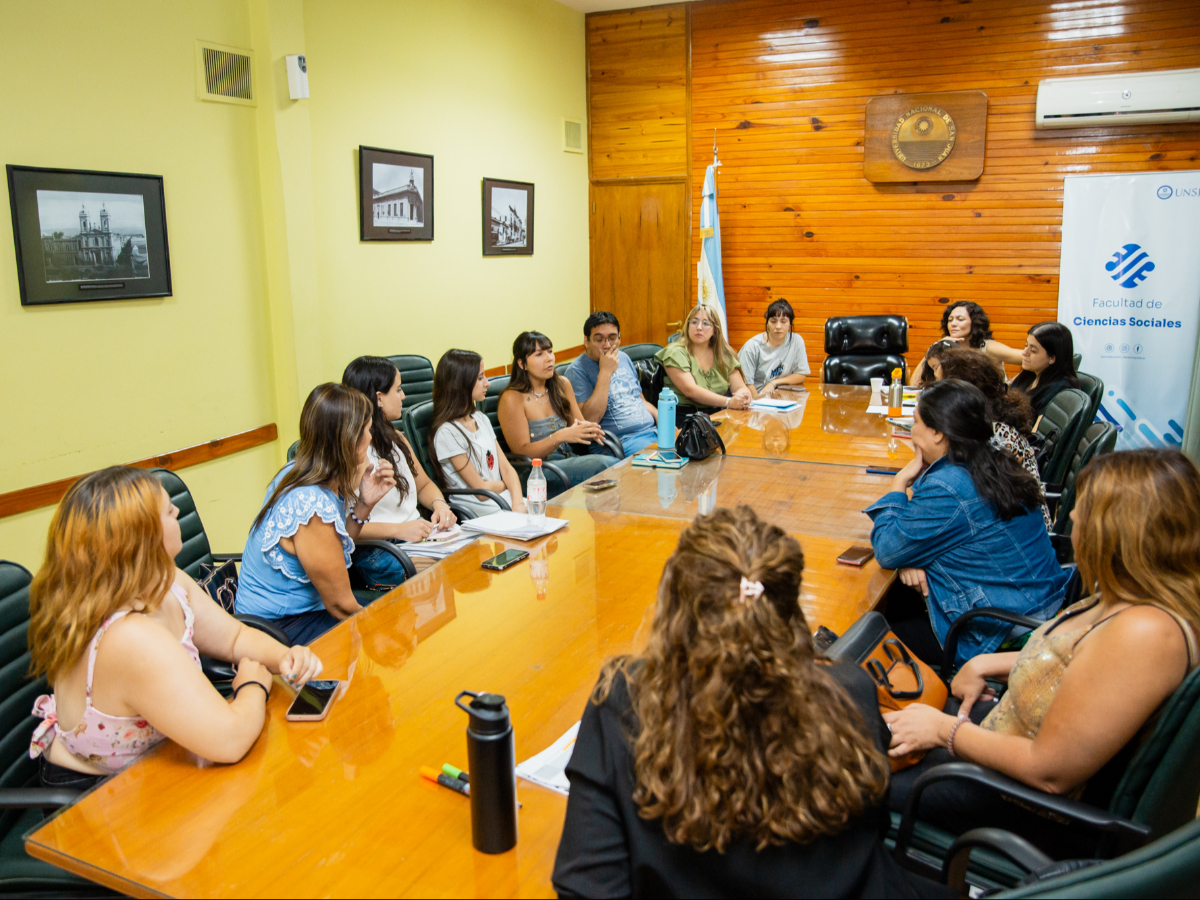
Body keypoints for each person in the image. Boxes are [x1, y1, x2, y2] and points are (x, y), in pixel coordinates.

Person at [553, 506, 945, 899]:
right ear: (790, 614)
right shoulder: (851, 692)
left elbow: (585, 886)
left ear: (674, 611)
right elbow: (871, 832)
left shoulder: (623, 706)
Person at [886, 449, 1200, 858]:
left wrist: (943, 730)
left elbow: (1048, 772)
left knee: (839, 775)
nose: (1072, 518)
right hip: (996, 752)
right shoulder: (1130, 599)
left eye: (1085, 508)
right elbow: (1083, 665)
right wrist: (987, 662)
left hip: (1018, 805)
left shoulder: (1147, 634)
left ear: (1122, 529)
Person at [28, 466, 323, 790]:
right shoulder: (129, 637)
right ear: (142, 537)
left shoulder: (164, 581)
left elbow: (235, 637)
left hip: (155, 768)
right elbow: (230, 740)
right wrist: (253, 685)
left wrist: (285, 658)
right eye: (169, 511)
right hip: (93, 800)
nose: (178, 511)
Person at [865, 380, 1068, 668]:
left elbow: (887, 548)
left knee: (863, 635)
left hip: (996, 634)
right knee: (897, 595)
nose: (911, 433)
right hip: (1040, 608)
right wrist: (911, 555)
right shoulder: (996, 459)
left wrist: (899, 483)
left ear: (937, 433)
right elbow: (930, 533)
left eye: (915, 424)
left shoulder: (949, 486)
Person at [235, 383, 399, 645]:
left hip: (303, 612)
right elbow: (341, 605)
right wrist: (385, 633)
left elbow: (336, 546)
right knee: (393, 628)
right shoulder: (308, 504)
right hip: (279, 629)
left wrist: (364, 505)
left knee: (395, 615)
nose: (371, 437)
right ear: (348, 440)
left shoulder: (300, 471)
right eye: (368, 430)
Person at [342, 356, 457, 587]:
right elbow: (345, 527)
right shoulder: (352, 451)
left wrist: (440, 505)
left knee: (471, 554)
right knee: (449, 572)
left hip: (415, 537)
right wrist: (400, 530)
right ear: (379, 398)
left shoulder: (396, 438)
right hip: (379, 549)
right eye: (398, 389)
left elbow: (424, 485)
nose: (404, 396)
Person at [939, 347, 1051, 529]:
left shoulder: (994, 432)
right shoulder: (988, 419)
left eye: (938, 386)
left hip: (1016, 532)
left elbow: (968, 494)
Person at [498, 331, 619, 495]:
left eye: (550, 351)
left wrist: (590, 430)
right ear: (522, 364)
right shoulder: (512, 398)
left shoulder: (562, 384)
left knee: (616, 461)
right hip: (537, 471)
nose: (549, 358)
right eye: (539, 354)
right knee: (605, 466)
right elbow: (522, 453)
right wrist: (561, 435)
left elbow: (579, 425)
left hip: (568, 459)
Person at [429, 349, 526, 518]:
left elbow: (507, 469)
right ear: (461, 383)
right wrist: (506, 485)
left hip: (500, 499)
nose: (487, 383)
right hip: (480, 509)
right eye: (480, 378)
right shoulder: (447, 432)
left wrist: (518, 502)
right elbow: (481, 491)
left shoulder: (480, 419)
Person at [565, 311, 659, 457]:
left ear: (620, 339)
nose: (607, 345)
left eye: (612, 338)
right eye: (599, 339)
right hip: (620, 442)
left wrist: (662, 419)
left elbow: (639, 399)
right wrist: (605, 372)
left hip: (652, 432)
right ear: (586, 341)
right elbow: (588, 421)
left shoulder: (624, 357)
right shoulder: (576, 370)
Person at [655, 303, 752, 412]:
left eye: (706, 323)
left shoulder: (722, 354)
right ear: (687, 326)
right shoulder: (674, 352)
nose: (699, 327)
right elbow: (690, 391)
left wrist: (743, 396)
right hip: (685, 417)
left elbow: (740, 387)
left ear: (715, 330)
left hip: (718, 414)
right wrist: (728, 402)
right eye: (694, 322)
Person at [910, 301, 1020, 384]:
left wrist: (1012, 383)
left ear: (974, 323)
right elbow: (914, 383)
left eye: (960, 319)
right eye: (950, 319)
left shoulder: (989, 347)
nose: (953, 324)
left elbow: (1029, 359)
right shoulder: (946, 346)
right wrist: (934, 349)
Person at [737, 298, 810, 395]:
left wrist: (774, 383)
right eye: (773, 321)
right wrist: (758, 403)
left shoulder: (796, 341)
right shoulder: (752, 346)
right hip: (754, 398)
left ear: (790, 324)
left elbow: (801, 374)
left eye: (783, 321)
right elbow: (745, 384)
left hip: (779, 398)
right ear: (767, 323)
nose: (778, 326)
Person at [1008, 321, 1080, 414]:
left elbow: (1038, 428)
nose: (1024, 353)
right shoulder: (1030, 373)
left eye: (1033, 350)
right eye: (1026, 346)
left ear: (1052, 358)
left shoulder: (1059, 390)